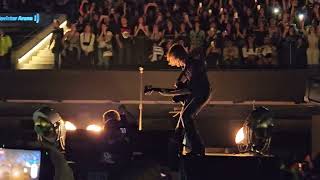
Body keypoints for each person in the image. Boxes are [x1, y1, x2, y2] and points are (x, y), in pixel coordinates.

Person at [146, 44, 211, 157]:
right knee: (182, 119)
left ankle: (198, 148)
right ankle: (178, 148)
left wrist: (171, 92)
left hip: (200, 93)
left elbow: (189, 89)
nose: (174, 64)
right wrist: (163, 91)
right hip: (196, 94)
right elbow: (182, 88)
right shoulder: (187, 67)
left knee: (185, 116)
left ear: (177, 57)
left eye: (173, 60)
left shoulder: (192, 65)